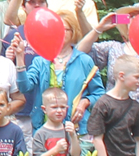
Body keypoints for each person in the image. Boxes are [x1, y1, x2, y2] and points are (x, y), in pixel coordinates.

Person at [77, 3, 139, 134]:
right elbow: (80, 54)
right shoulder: (114, 47)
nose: (135, 20)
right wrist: (99, 28)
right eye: (131, 17)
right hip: (119, 119)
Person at [14, 10, 105, 138]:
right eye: (55, 29)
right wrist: (19, 57)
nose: (59, 32)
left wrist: (85, 102)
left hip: (77, 127)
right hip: (44, 129)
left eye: (64, 29)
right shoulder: (41, 60)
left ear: (73, 32)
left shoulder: (84, 60)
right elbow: (25, 87)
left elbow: (99, 94)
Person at [2, 0, 48, 156]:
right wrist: (10, 58)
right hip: (22, 109)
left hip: (48, 108)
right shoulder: (14, 34)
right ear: (24, 6)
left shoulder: (54, 30)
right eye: (32, 2)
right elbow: (4, 71)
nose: (37, 6)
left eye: (41, 2)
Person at [33, 88, 81, 156]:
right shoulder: (40, 133)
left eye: (62, 107)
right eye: (54, 107)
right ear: (44, 109)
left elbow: (75, 155)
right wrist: (56, 150)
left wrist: (73, 135)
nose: (59, 111)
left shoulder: (67, 130)